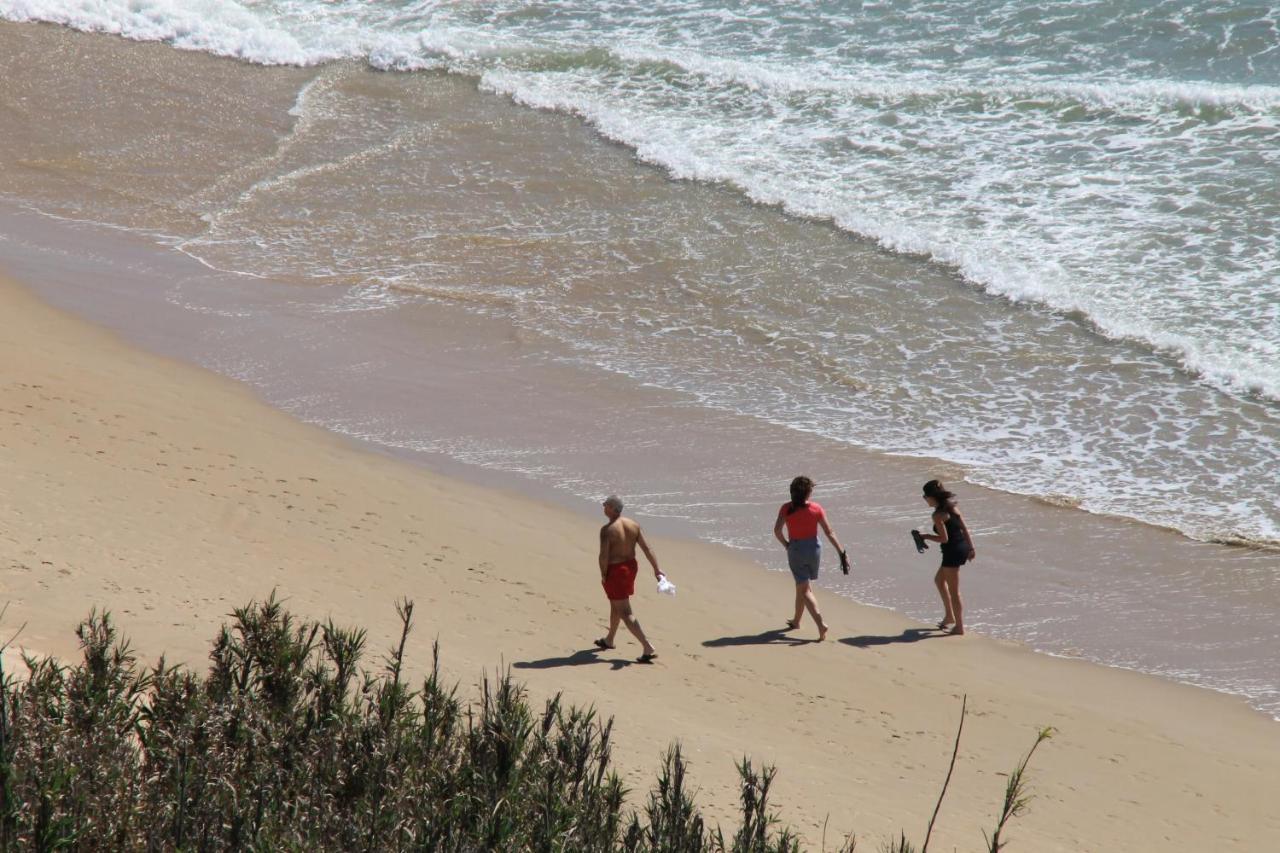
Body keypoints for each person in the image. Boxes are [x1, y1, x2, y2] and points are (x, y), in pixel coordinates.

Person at [773, 476, 846, 641]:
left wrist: (786, 544)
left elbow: (777, 531)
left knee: (804, 588)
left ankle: (821, 623)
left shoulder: (786, 508)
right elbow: (829, 532)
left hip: (796, 549)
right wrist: (841, 552)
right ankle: (796, 621)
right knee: (803, 585)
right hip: (814, 549)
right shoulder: (816, 508)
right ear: (808, 493)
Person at [595, 495, 661, 662]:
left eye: (606, 505)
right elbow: (647, 548)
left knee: (625, 611)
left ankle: (647, 646)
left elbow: (603, 556)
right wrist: (657, 569)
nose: (603, 507)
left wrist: (603, 574)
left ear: (612, 509)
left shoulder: (607, 530)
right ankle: (609, 639)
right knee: (615, 603)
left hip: (615, 571)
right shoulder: (634, 525)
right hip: (630, 567)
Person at [918, 479, 976, 635]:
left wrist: (925, 536)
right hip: (962, 547)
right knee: (939, 580)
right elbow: (964, 528)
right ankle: (950, 616)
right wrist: (971, 548)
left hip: (952, 552)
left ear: (932, 496)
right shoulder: (953, 507)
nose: (925, 499)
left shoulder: (938, 515)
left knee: (954, 591)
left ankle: (959, 627)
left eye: (925, 496)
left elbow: (944, 539)